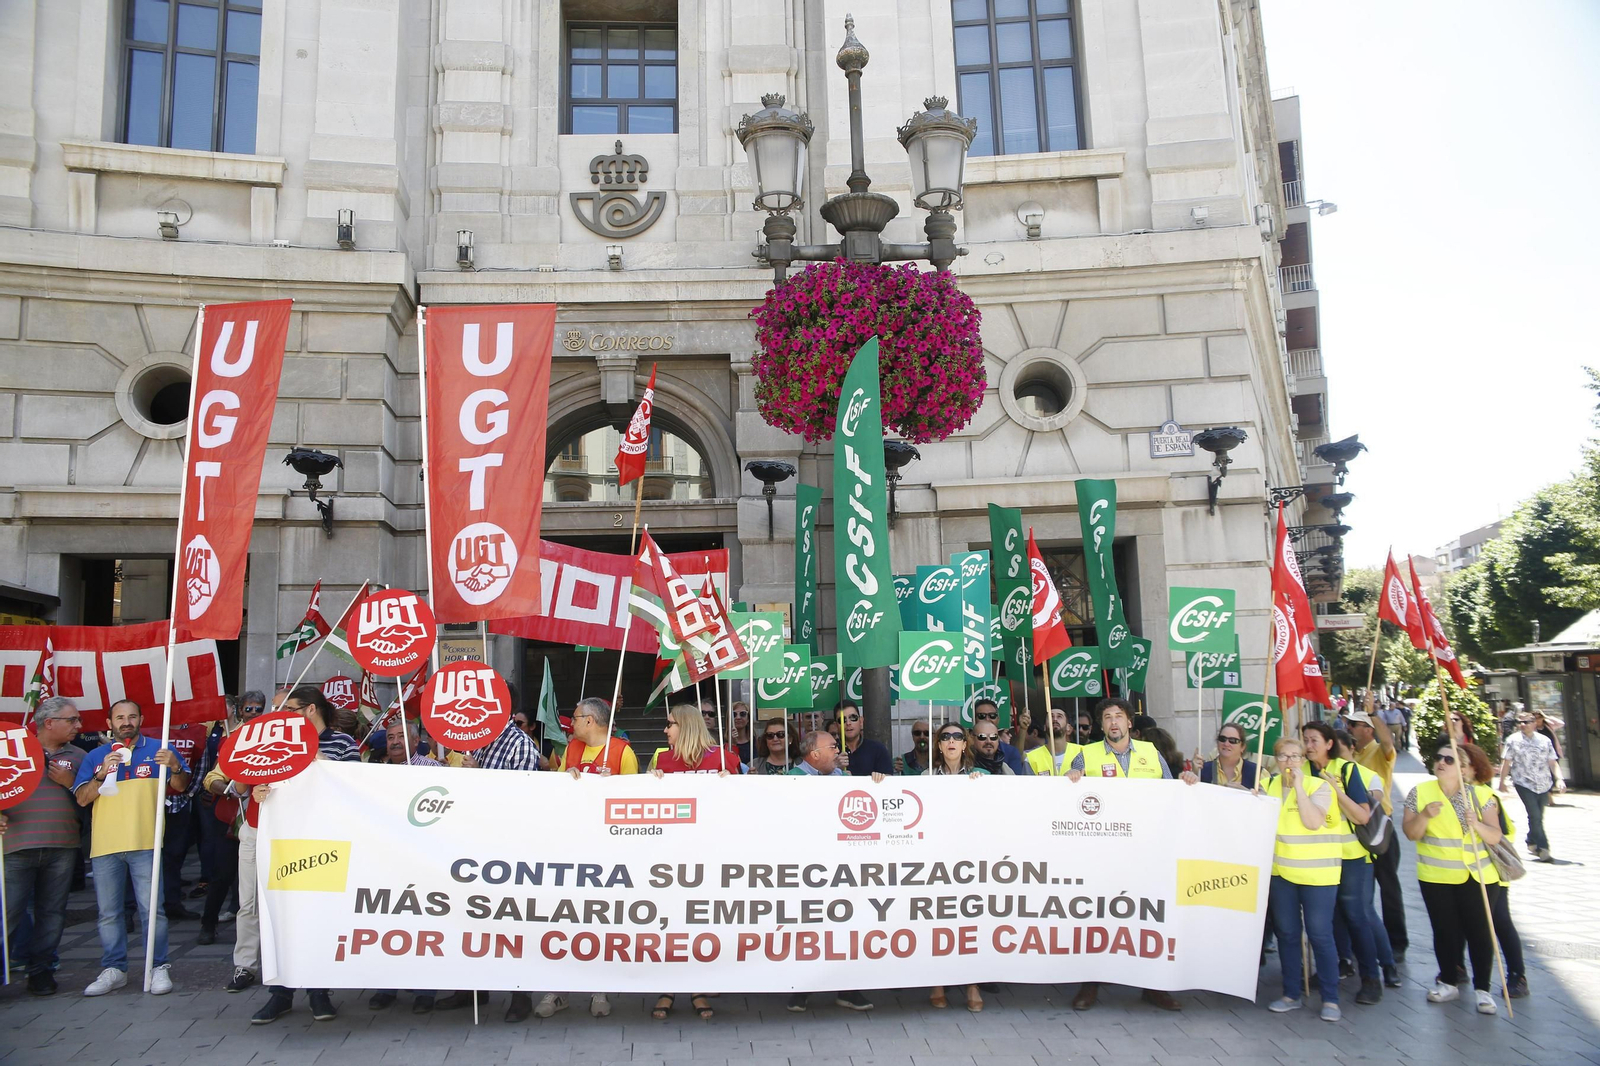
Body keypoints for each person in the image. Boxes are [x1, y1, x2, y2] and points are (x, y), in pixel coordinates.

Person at [1067, 699, 1196, 1011]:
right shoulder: (1087, 755)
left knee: (1149, 918)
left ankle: (1154, 987)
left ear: (1128, 723)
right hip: (1103, 853)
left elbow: (1171, 792)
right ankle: (1090, 984)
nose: (1113, 722)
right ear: (1101, 726)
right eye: (1108, 717)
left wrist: (1187, 782)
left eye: (1119, 717)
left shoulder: (1151, 753)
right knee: (1096, 917)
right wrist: (1070, 778)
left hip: (1147, 851)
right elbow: (1070, 795)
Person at [248, 686, 359, 1023]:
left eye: (289, 709)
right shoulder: (276, 744)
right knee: (281, 916)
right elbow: (260, 783)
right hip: (284, 840)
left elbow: (353, 785)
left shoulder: (342, 743)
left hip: (326, 842)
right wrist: (259, 791)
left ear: (310, 710)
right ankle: (280, 993)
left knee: (320, 918)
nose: (282, 716)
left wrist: (316, 760)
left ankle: (318, 992)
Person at [72, 698, 191, 997]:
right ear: (109, 722)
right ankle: (115, 969)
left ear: (141, 719)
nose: (126, 722)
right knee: (109, 913)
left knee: (153, 910)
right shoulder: (96, 755)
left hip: (145, 842)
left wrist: (175, 766)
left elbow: (181, 785)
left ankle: (158, 967)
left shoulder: (159, 750)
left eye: (132, 716)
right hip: (105, 845)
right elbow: (82, 798)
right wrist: (101, 774)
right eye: (120, 717)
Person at [1403, 741, 1506, 1015]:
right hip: (1436, 876)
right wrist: (1425, 815)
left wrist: (1477, 824)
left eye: (1449, 760)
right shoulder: (1420, 792)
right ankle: (1448, 981)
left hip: (1478, 876)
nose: (1441, 762)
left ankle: (1483, 989)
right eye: (1438, 758)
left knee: (1480, 933)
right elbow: (1411, 833)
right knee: (1444, 931)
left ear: (1464, 768)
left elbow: (1495, 836)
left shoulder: (1481, 795)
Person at [647, 705, 733, 1020]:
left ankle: (697, 988)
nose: (666, 731)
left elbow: (746, 805)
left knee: (701, 926)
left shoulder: (725, 759)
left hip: (712, 857)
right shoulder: (662, 761)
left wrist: (734, 783)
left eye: (670, 725)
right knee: (671, 926)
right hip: (671, 858)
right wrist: (650, 783)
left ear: (685, 726)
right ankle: (668, 988)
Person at [783, 730, 879, 1013]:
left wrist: (877, 783)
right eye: (833, 747)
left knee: (845, 927)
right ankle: (800, 990)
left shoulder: (843, 778)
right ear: (814, 754)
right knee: (808, 931)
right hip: (806, 867)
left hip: (841, 867)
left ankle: (848, 989)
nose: (839, 751)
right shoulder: (791, 779)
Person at [204, 688, 288, 997]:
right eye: (276, 708)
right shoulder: (247, 740)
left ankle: (291, 963)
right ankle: (246, 965)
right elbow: (219, 779)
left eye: (284, 708)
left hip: (292, 834)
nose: (278, 714)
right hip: (254, 828)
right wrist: (236, 785)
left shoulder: (307, 745)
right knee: (248, 902)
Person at [1, 697, 88, 996]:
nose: (79, 725)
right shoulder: (12, 749)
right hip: (15, 846)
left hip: (62, 846)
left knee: (52, 913)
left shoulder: (79, 755)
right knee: (8, 913)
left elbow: (90, 800)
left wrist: (71, 782)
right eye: (72, 720)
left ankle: (41, 971)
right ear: (48, 723)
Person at [1300, 720, 1382, 1006]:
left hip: (1349, 857)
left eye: (1314, 741)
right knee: (1326, 917)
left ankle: (1371, 977)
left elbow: (1362, 816)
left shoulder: (1346, 770)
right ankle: (1334, 968)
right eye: (1305, 740)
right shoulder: (1301, 772)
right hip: (1317, 858)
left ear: (1329, 744)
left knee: (1355, 914)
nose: (1309, 746)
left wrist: (1336, 791)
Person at [1263, 736, 1343, 1021]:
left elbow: (1312, 822)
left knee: (1320, 934)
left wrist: (1298, 787)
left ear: (1304, 760)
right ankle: (1291, 993)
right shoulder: (1268, 785)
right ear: (1275, 760)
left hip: (1317, 874)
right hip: (1283, 872)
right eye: (1283, 756)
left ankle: (1331, 999)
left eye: (1295, 756)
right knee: (1287, 934)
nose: (1289, 762)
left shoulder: (1318, 786)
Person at [368, 721, 443, 1016]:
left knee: (424, 927)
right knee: (388, 924)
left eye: (402, 736)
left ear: (416, 741)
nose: (396, 742)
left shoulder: (432, 769)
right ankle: (386, 986)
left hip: (424, 861)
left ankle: (425, 990)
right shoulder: (376, 772)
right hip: (388, 860)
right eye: (391, 737)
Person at [920, 723, 988, 1011]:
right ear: (938, 745)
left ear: (965, 744)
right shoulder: (925, 777)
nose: (951, 741)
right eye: (945, 737)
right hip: (936, 859)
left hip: (970, 858)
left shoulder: (981, 776)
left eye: (957, 737)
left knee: (969, 923)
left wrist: (982, 788)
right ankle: (937, 982)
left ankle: (972, 984)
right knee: (937, 923)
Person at [1331, 730, 1401, 990]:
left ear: (1351, 748)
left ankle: (1387, 965)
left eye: (1338, 749)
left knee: (1363, 911)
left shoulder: (1367, 775)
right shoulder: (1320, 775)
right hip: (1328, 855)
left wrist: (1338, 792)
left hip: (1361, 854)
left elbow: (1368, 812)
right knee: (1336, 911)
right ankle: (1344, 960)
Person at [197, 694, 267, 946]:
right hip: (231, 820)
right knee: (221, 874)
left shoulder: (276, 740)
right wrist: (229, 789)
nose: (254, 713)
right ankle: (208, 923)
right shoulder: (236, 738)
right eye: (249, 708)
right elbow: (212, 778)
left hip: (264, 822)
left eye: (259, 709)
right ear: (240, 710)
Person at [1344, 707, 1405, 961]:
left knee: (1388, 885)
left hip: (1380, 826)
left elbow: (1388, 740)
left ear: (1368, 729)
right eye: (1348, 724)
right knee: (1360, 893)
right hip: (1355, 828)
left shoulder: (1379, 753)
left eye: (1354, 725)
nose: (1349, 728)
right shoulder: (1350, 755)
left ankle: (1397, 942)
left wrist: (1372, 713)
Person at [1497, 710, 1563, 861]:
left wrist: (1559, 779)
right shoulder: (1512, 740)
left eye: (1526, 722)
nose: (1522, 725)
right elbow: (1506, 762)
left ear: (1534, 723)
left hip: (1543, 783)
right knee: (1534, 814)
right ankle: (1543, 847)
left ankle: (1531, 840)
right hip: (1523, 783)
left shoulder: (1544, 740)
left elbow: (1552, 762)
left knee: (1538, 815)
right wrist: (1501, 782)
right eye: (1519, 722)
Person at [556, 697, 638, 777]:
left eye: (575, 719)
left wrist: (613, 784)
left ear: (589, 721)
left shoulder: (623, 752)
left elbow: (632, 789)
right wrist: (566, 777)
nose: (571, 723)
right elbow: (557, 784)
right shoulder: (571, 748)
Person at [835, 700, 894, 777]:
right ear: (836, 725)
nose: (848, 723)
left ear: (861, 721)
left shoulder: (877, 749)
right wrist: (835, 769)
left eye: (853, 718)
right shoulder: (830, 750)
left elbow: (889, 780)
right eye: (842, 720)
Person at [971, 699, 1025, 773]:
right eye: (981, 716)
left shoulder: (1010, 753)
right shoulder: (963, 754)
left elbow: (1016, 782)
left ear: (998, 719)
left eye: (992, 716)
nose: (987, 719)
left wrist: (1023, 730)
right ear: (973, 719)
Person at [1199, 723, 1258, 789]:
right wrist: (1194, 773)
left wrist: (1247, 793)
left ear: (1242, 747)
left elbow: (1267, 798)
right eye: (1222, 739)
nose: (1226, 744)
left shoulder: (1258, 772)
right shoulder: (1202, 770)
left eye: (1233, 741)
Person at [1025, 706, 1079, 777]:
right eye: (1051, 717)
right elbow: (1028, 787)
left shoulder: (1081, 752)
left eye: (1059, 716)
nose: (1055, 719)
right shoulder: (1031, 758)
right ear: (1044, 727)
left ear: (1068, 728)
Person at [729, 701, 754, 766]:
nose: (738, 717)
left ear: (748, 718)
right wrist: (733, 744)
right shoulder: (722, 743)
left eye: (742, 714)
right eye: (734, 714)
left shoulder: (757, 742)